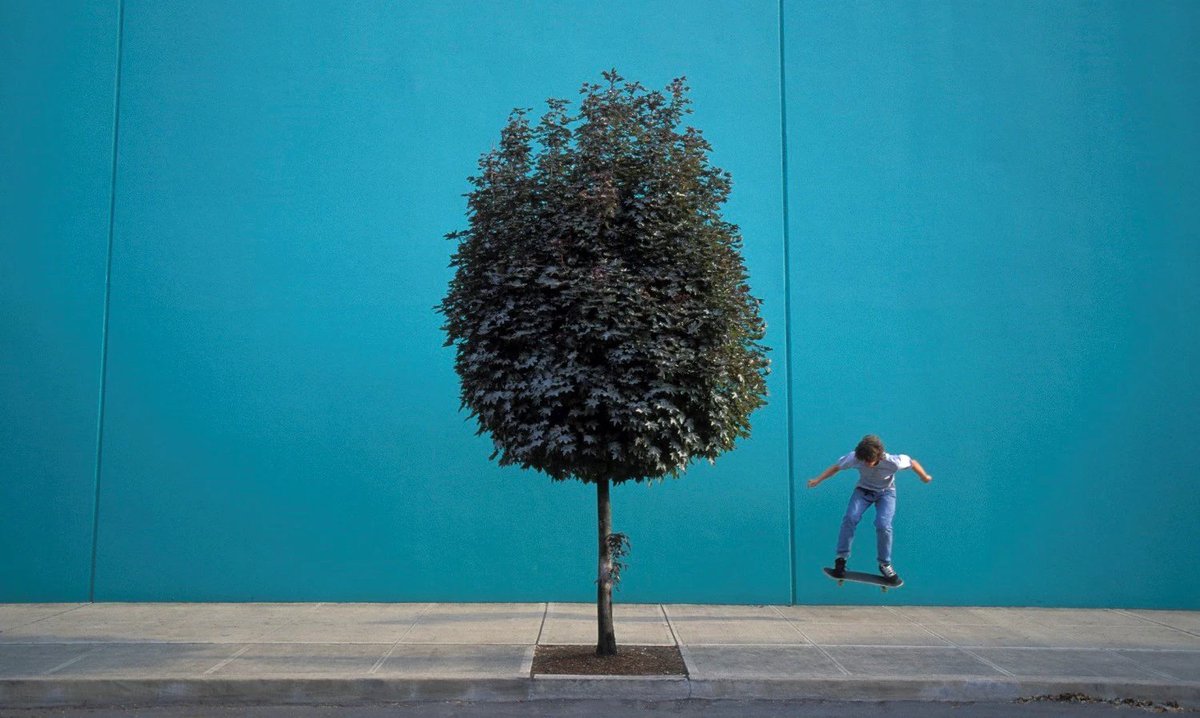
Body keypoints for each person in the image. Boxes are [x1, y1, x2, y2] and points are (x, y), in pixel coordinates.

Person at [807, 434, 932, 585]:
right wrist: (818, 479)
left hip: (886, 493)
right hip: (863, 491)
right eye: (863, 461)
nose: (866, 464)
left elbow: (912, 462)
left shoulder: (894, 461)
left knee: (883, 525)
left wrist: (924, 476)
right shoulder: (855, 457)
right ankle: (841, 559)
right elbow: (836, 468)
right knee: (850, 518)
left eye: (869, 461)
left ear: (879, 456)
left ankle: (885, 564)